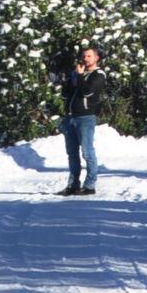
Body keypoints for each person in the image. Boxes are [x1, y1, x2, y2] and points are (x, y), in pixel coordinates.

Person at [59, 44, 107, 197]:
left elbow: (87, 92)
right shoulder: (79, 73)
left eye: (89, 56)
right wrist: (72, 78)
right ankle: (72, 185)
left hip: (85, 118)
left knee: (87, 152)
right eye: (84, 56)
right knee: (72, 153)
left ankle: (89, 185)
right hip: (70, 118)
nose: (85, 59)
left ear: (96, 58)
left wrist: (79, 77)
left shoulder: (99, 75)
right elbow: (65, 94)